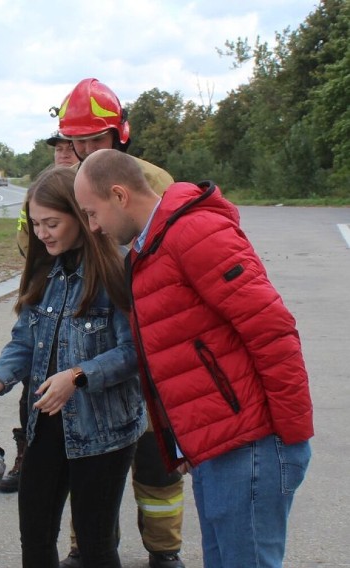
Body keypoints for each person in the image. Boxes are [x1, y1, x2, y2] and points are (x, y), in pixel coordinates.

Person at [74, 149, 314, 568]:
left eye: (93, 213)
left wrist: (290, 437)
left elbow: (271, 328)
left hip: (250, 445)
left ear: (119, 195)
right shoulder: (150, 251)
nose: (93, 228)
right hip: (216, 447)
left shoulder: (193, 234)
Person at [0, 166, 145, 567]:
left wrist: (78, 377)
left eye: (51, 223)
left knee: (96, 546)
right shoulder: (46, 270)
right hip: (44, 427)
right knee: (35, 537)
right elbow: (25, 340)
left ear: (81, 217)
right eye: (35, 224)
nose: (43, 234)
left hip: (102, 433)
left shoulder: (116, 270)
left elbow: (135, 351)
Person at [50, 78, 185, 568]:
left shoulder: (155, 180)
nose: (84, 151)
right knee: (89, 453)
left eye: (94, 141)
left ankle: (164, 550)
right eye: (76, 141)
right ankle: (86, 546)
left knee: (155, 457)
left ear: (119, 136)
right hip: (88, 334)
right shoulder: (63, 182)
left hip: (146, 334)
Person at [0, 130, 79, 493]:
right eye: (58, 148)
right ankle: (26, 455)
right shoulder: (39, 193)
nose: (63, 152)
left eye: (69, 146)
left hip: (97, 425)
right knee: (33, 390)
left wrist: (79, 375)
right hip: (45, 275)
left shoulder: (106, 270)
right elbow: (25, 340)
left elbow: (127, 351)